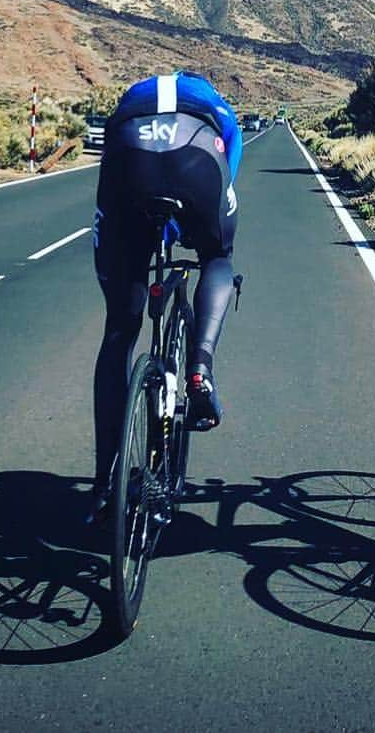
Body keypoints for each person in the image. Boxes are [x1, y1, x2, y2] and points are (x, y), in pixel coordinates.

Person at [90, 72, 242, 517]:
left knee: (119, 329)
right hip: (199, 162)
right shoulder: (217, 106)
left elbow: (108, 170)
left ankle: (105, 485)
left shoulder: (127, 104)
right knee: (217, 256)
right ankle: (200, 368)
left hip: (127, 163)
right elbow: (228, 175)